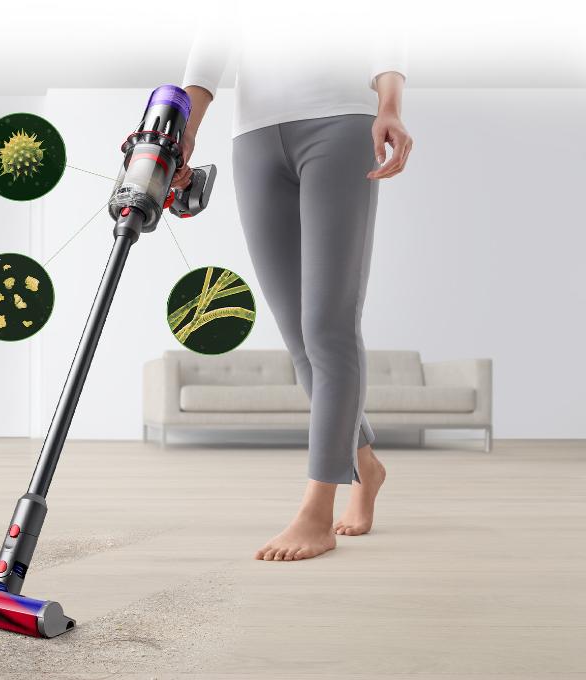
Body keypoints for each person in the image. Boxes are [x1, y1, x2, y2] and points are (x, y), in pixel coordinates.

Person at [175, 25, 414, 561]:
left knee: (329, 329)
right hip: (254, 136)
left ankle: (316, 512)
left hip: (342, 123)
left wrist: (390, 105)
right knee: (300, 338)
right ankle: (365, 465)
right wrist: (185, 129)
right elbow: (215, 35)